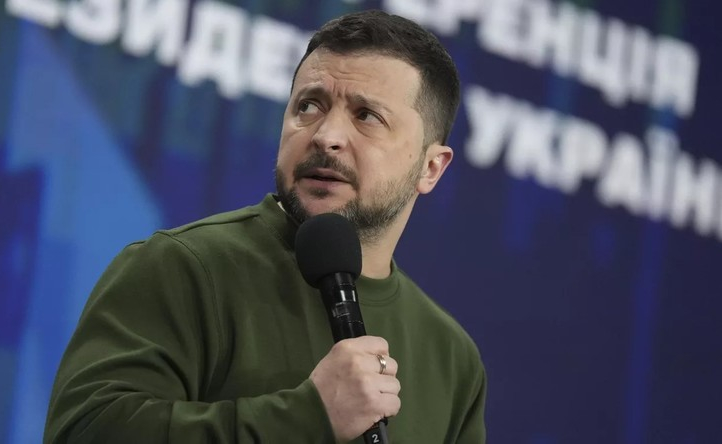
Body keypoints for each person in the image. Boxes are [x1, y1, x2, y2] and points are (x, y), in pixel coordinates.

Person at [44, 9, 486, 444]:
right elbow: (86, 432)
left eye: (366, 116)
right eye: (309, 106)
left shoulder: (451, 357)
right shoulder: (183, 267)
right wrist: (308, 416)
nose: (325, 136)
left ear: (431, 167)